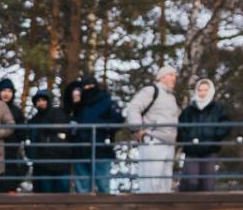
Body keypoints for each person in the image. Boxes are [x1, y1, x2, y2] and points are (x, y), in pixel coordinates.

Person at [123, 64, 180, 193]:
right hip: (153, 139)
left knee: (165, 179)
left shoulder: (172, 97)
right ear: (162, 77)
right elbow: (134, 108)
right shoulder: (151, 91)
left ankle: (163, 209)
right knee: (151, 178)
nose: (174, 78)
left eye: (175, 75)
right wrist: (137, 130)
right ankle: (148, 206)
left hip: (169, 142)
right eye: (171, 75)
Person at [68, 74, 123, 193]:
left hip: (101, 148)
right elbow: (72, 121)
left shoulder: (107, 101)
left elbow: (118, 121)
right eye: (85, 86)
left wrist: (100, 126)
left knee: (103, 184)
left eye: (90, 85)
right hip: (81, 149)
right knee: (82, 186)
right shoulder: (79, 104)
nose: (88, 89)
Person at [177, 77, 232, 191]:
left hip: (210, 149)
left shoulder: (218, 108)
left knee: (208, 183)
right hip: (192, 150)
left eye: (205, 90)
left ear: (210, 91)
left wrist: (216, 136)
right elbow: (182, 127)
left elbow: (225, 123)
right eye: (200, 90)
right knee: (191, 181)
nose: (202, 93)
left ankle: (207, 207)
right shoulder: (189, 110)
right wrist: (188, 139)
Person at [25, 89, 71, 193]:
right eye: (38, 101)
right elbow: (31, 141)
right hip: (42, 164)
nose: (41, 103)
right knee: (45, 192)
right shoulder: (33, 121)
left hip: (61, 161)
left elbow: (66, 133)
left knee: (62, 190)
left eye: (43, 100)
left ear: (48, 100)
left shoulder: (58, 113)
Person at [0, 77, 27, 192]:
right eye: (4, 90)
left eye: (9, 91)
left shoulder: (17, 111)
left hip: (12, 150)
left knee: (11, 180)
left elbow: (22, 132)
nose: (6, 94)